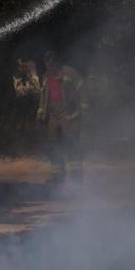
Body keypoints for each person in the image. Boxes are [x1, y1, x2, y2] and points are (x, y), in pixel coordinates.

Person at [36, 50, 86, 182]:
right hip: (53, 114)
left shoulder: (69, 73)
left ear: (57, 61)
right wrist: (40, 112)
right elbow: (44, 95)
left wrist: (83, 108)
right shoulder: (46, 77)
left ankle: (77, 178)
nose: (49, 65)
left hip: (69, 114)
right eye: (47, 63)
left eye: (52, 62)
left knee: (71, 144)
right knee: (53, 146)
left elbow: (82, 88)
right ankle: (57, 178)